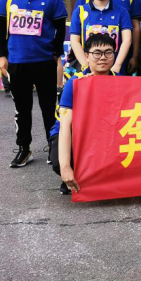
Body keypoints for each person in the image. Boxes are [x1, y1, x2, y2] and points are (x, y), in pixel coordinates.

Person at [0, 0, 67, 168]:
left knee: (48, 107)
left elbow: (60, 29)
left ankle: (52, 146)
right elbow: (1, 29)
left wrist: (55, 54)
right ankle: (24, 148)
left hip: (44, 61)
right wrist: (2, 56)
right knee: (22, 109)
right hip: (17, 61)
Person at [51, 33, 118, 195]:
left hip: (105, 133)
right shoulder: (75, 83)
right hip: (74, 132)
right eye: (97, 53)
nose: (103, 57)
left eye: (108, 52)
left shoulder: (121, 81)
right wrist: (65, 167)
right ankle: (72, 175)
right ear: (86, 56)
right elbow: (65, 126)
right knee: (59, 163)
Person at [69, 0, 132, 75]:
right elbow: (75, 41)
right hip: (88, 70)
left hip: (115, 69)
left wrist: (117, 65)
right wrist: (86, 66)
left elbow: (127, 39)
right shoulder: (80, 11)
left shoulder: (122, 11)